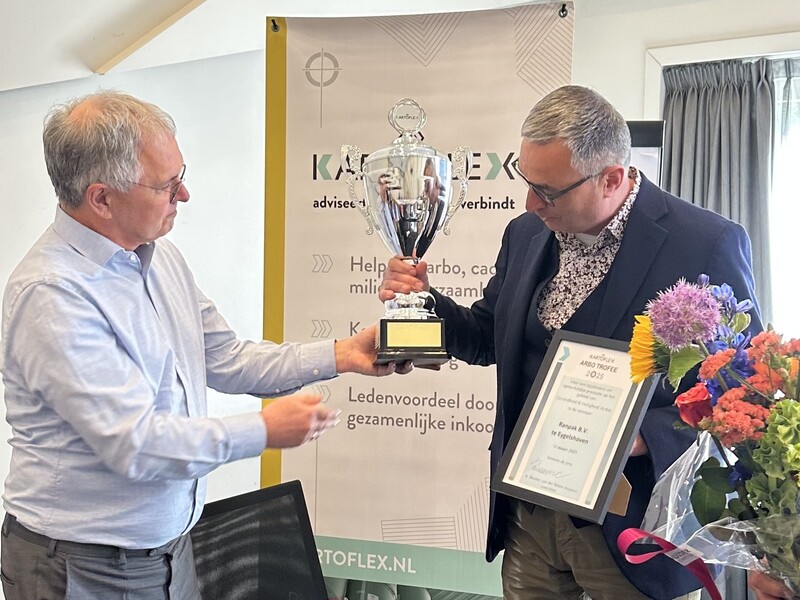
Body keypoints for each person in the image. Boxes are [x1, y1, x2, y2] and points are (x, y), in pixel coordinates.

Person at [0, 90, 403, 600]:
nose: (185, 195)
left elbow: (227, 358)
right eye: (167, 186)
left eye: (181, 175)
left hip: (171, 550)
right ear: (101, 199)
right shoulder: (51, 295)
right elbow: (136, 444)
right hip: (82, 566)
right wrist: (263, 430)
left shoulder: (159, 258)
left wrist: (342, 354)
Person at [379, 85, 762, 600]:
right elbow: (487, 337)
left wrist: (643, 435)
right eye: (526, 181)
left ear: (612, 178)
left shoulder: (705, 243)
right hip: (529, 518)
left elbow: (744, 390)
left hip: (633, 528)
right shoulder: (525, 233)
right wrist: (424, 302)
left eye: (548, 191)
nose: (530, 203)